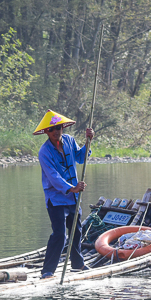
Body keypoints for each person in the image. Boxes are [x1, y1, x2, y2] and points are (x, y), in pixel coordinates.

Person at [35, 110, 95, 279]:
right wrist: (72, 188)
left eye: (59, 127)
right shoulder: (44, 152)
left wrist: (88, 142)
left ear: (63, 128)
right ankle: (47, 271)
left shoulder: (69, 140)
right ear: (46, 131)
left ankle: (78, 264)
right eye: (52, 129)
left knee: (76, 230)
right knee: (60, 234)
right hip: (56, 199)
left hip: (73, 198)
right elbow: (53, 177)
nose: (56, 131)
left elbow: (80, 158)